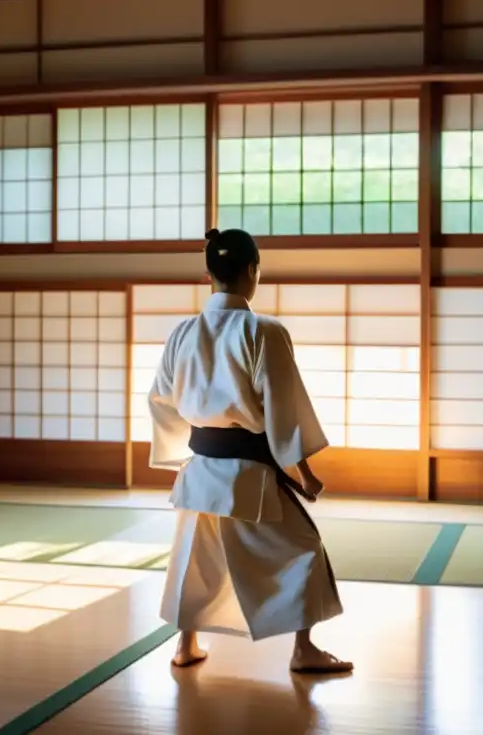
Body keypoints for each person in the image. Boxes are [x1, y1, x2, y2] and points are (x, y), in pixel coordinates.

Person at [148, 227, 352, 674]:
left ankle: (186, 644)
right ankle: (304, 650)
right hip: (247, 476)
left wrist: (179, 453)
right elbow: (283, 413)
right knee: (304, 549)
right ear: (252, 271)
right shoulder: (265, 332)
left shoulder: (182, 333)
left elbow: (161, 398)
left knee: (194, 559)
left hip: (199, 472)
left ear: (209, 276)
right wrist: (305, 474)